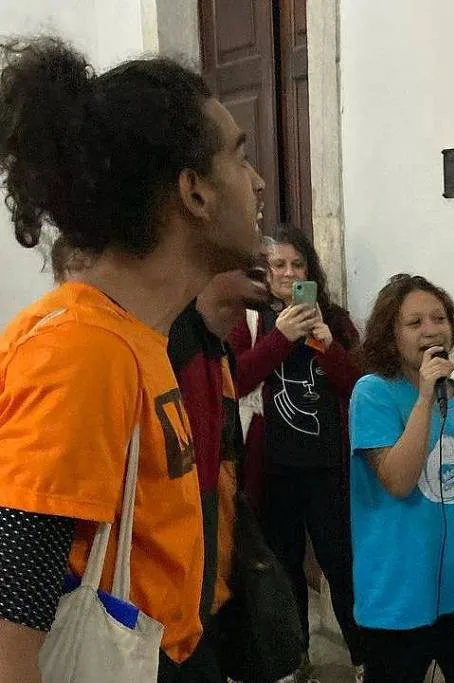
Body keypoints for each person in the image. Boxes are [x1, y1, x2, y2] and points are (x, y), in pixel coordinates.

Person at [0, 36, 264, 682]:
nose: (256, 182)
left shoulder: (135, 338)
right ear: (193, 192)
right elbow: (10, 632)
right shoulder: (82, 353)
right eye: (239, 156)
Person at [349, 274, 454, 683]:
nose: (430, 329)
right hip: (400, 596)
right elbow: (399, 481)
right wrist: (424, 395)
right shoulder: (373, 393)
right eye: (414, 322)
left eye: (438, 318)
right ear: (390, 334)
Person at [227, 227, 364, 680]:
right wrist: (280, 338)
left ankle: (365, 658)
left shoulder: (336, 319)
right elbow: (236, 381)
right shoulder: (246, 322)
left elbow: (358, 387)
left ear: (311, 270)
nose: (288, 274)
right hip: (273, 468)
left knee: (342, 566)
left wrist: (325, 344)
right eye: (278, 265)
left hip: (328, 464)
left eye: (297, 264)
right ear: (264, 273)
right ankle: (296, 660)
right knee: (283, 569)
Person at [163, 270, 269, 681]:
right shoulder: (172, 338)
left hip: (212, 572)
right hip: (170, 607)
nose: (263, 255)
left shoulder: (212, 344)